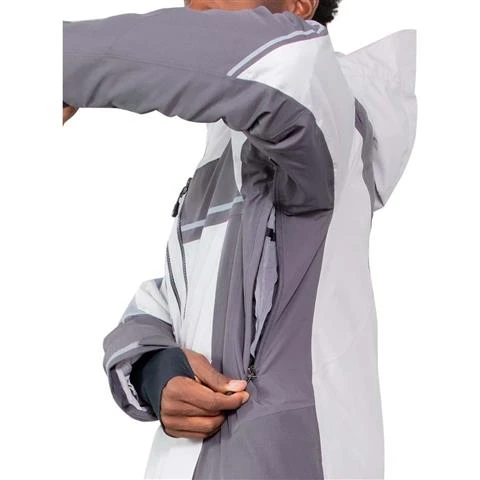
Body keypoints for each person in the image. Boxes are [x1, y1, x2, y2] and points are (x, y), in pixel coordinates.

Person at [63, 1, 417, 478]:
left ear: (298, 7)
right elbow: (166, 303)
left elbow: (281, 64)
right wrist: (157, 371)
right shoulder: (218, 164)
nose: (196, 3)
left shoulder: (328, 114)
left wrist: (56, 61)